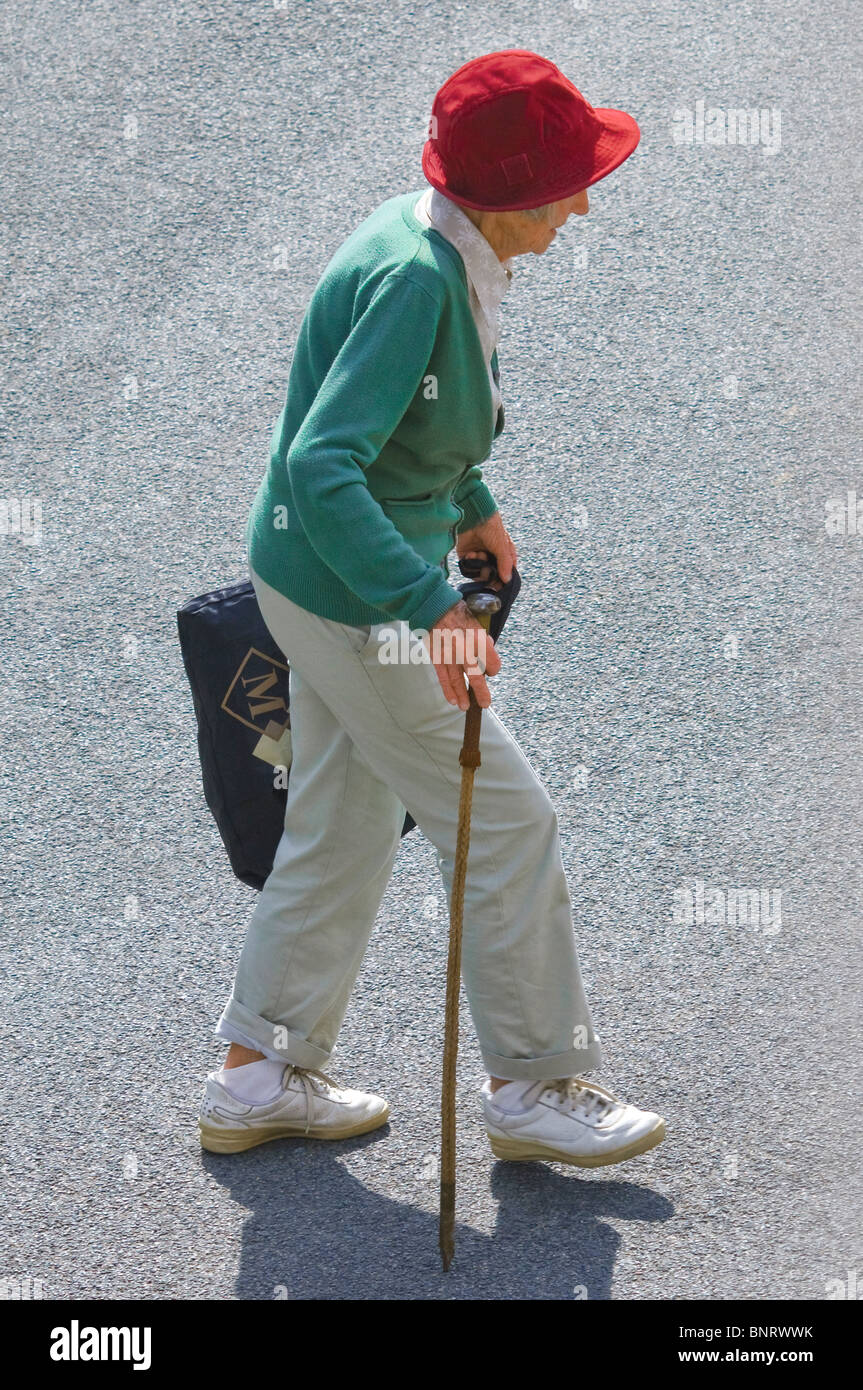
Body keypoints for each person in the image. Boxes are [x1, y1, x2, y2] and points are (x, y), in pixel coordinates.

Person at [199, 50, 666, 1168]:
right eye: (566, 180)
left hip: (320, 579)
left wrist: (471, 501)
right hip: (361, 598)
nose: (583, 201)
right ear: (506, 197)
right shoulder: (418, 280)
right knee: (506, 820)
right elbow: (325, 463)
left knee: (343, 825)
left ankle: (256, 1071)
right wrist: (430, 608)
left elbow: (398, 425)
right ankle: (534, 1081)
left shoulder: (427, 238)